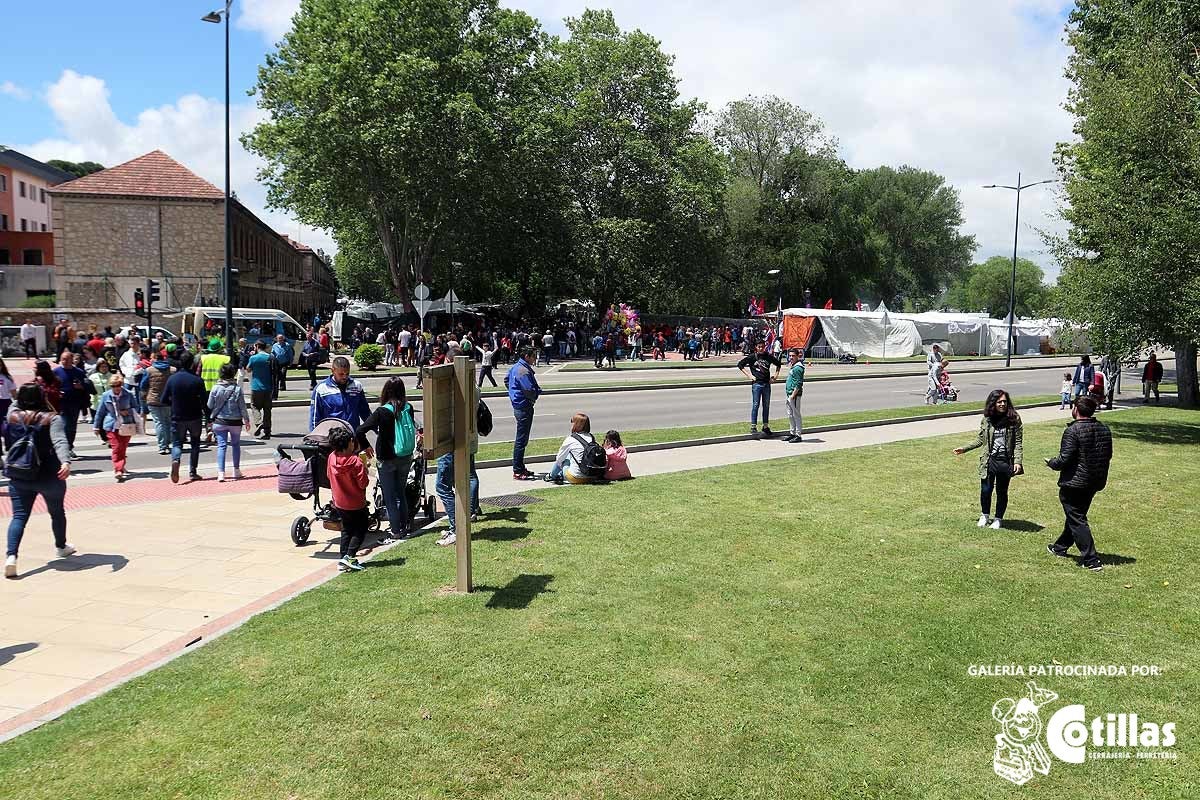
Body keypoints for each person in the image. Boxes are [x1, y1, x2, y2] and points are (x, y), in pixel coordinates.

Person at [4, 383, 75, 578]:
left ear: (21, 399)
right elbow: (60, 441)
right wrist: (65, 462)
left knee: (19, 517)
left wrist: (20, 398)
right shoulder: (52, 418)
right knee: (57, 512)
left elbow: (13, 405)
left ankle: (11, 557)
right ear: (43, 397)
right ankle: (61, 546)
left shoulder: (12, 417)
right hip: (49, 474)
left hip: (19, 473)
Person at [1045, 395, 1113, 572]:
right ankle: (1060, 547)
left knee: (1077, 519)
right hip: (1094, 481)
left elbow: (1064, 459)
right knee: (1077, 515)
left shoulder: (1072, 431)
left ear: (1076, 409)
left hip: (1075, 484)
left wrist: (1051, 462)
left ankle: (1091, 559)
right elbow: (1107, 456)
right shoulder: (1104, 429)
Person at [357, 377, 419, 543]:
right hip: (405, 456)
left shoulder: (382, 411)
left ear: (386, 391)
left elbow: (360, 430)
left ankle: (395, 531)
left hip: (387, 459)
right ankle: (405, 527)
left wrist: (366, 446)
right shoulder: (408, 407)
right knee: (401, 493)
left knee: (389, 496)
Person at [953, 389, 1024, 530]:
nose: (1003, 404)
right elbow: (981, 438)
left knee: (1002, 491)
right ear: (993, 403)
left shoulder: (1014, 418)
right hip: (989, 460)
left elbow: (1018, 442)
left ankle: (998, 519)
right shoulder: (987, 419)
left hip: (1005, 460)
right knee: (986, 490)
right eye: (999, 402)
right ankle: (985, 515)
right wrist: (964, 448)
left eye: (1004, 401)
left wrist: (1017, 461)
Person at [326, 425, 370, 572]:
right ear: (350, 442)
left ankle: (342, 558)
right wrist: (365, 468)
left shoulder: (331, 457)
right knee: (361, 528)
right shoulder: (356, 462)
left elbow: (328, 476)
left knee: (346, 529)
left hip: (339, 501)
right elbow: (363, 483)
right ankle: (349, 556)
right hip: (356, 503)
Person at [161, 351, 206, 483]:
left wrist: (174, 403)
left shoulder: (172, 379)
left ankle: (176, 460)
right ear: (192, 363)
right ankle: (193, 471)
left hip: (177, 416)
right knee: (195, 443)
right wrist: (209, 418)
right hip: (194, 416)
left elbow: (164, 399)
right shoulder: (197, 380)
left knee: (177, 443)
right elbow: (204, 402)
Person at [207, 363, 250, 482]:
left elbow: (209, 405)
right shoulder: (237, 389)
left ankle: (221, 473)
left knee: (222, 446)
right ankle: (236, 470)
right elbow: (242, 407)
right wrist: (246, 420)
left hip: (219, 420)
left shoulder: (215, 388)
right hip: (235, 421)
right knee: (236, 445)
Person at [505, 346, 542, 480]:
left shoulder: (516, 367)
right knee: (521, 440)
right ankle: (518, 470)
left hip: (519, 405)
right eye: (533, 356)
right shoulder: (523, 371)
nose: (535, 359)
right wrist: (534, 396)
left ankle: (520, 467)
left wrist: (513, 394)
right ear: (527, 356)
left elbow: (506, 380)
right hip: (524, 407)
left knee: (522, 439)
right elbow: (530, 390)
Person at [93, 374, 137, 482]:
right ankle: (118, 470)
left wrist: (128, 411)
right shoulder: (106, 395)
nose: (116, 388)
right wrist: (96, 426)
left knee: (123, 447)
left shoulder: (128, 394)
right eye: (113, 386)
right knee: (116, 447)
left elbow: (137, 407)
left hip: (126, 425)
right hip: (111, 425)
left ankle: (120, 465)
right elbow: (100, 412)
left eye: (118, 385)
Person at [310, 356, 371, 430]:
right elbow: (315, 417)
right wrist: (314, 437)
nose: (345, 377)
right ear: (333, 371)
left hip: (352, 435)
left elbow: (365, 412)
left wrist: (377, 429)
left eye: (347, 373)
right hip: (331, 436)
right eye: (341, 374)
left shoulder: (357, 386)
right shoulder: (321, 389)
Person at [434, 449, 480, 548]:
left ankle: (456, 531)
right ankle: (459, 526)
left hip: (449, 449)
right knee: (460, 483)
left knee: (443, 489)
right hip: (461, 447)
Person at [738, 341, 781, 438]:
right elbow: (740, 365)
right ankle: (753, 426)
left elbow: (778, 364)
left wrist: (775, 377)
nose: (761, 348)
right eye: (759, 347)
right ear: (756, 347)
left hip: (766, 384)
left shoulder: (768, 356)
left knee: (766, 406)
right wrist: (749, 375)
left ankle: (765, 426)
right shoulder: (752, 357)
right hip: (757, 384)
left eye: (762, 347)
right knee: (756, 405)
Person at [53, 351, 93, 456]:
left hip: (75, 403)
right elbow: (50, 386)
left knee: (72, 426)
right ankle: (63, 448)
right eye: (63, 359)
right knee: (64, 425)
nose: (65, 361)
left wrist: (81, 386)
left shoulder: (79, 372)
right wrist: (57, 392)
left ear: (72, 360)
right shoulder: (56, 371)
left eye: (67, 359)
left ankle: (69, 447)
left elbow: (87, 385)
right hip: (61, 403)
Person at [546, 412, 601, 485]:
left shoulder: (571, 439)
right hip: (592, 476)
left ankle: (551, 476)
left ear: (576, 425)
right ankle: (559, 475)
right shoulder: (591, 437)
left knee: (565, 458)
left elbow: (559, 459)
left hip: (576, 478)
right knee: (571, 454)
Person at [143, 349, 175, 455]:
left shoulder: (149, 370)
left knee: (159, 422)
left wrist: (144, 395)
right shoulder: (172, 370)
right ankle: (168, 442)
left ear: (156, 358)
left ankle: (162, 446)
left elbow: (143, 385)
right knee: (168, 421)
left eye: (152, 358)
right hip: (168, 400)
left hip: (153, 399)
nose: (150, 360)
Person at [199, 342, 230, 442]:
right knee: (219, 413)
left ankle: (209, 430)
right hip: (221, 388)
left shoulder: (203, 358)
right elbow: (229, 373)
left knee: (207, 412)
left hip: (205, 389)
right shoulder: (225, 359)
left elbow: (198, 372)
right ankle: (217, 434)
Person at [247, 341, 275, 439]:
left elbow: (248, 369)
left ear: (257, 346)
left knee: (254, 406)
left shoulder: (253, 358)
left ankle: (258, 422)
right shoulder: (270, 357)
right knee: (267, 410)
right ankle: (267, 431)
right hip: (268, 387)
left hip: (256, 387)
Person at [784, 348, 806, 443]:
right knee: (790, 415)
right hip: (789, 394)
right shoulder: (793, 366)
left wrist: (793, 395)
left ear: (798, 356)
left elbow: (799, 383)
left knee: (796, 415)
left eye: (793, 356)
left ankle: (798, 435)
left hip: (794, 395)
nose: (791, 357)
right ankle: (792, 433)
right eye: (790, 355)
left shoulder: (798, 368)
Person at [271, 335, 293, 400]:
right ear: (277, 339)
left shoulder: (287, 345)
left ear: (283, 339)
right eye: (279, 338)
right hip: (277, 363)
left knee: (283, 373)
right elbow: (272, 353)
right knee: (277, 376)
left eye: (281, 338)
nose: (280, 339)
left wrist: (291, 361)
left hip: (284, 362)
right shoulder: (275, 345)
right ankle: (277, 387)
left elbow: (290, 354)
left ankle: (282, 386)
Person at [0, 359, 15, 453]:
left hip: (5, 403)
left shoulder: (7, 377)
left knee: (6, 427)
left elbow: (14, 393)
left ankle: (9, 446)